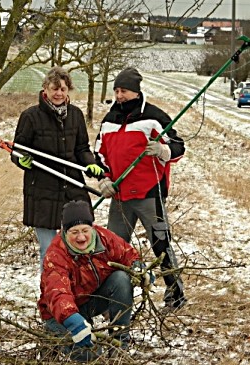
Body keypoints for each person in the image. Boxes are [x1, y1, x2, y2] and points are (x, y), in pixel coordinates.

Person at [94, 67, 187, 312]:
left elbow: (178, 144)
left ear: (135, 91)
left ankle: (175, 293)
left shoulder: (153, 117)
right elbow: (98, 154)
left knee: (160, 243)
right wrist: (103, 178)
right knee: (113, 249)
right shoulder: (109, 120)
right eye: (116, 90)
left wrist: (163, 151)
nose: (119, 95)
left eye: (123, 90)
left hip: (149, 193)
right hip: (120, 195)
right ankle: (112, 296)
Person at [11, 66, 103, 271]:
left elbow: (81, 147)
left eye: (62, 89)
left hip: (71, 186)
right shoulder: (30, 116)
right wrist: (21, 159)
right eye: (54, 89)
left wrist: (90, 163)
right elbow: (18, 149)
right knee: (48, 250)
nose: (59, 93)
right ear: (45, 89)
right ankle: (50, 295)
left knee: (79, 245)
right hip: (42, 190)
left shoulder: (76, 115)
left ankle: (76, 291)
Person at [38, 200, 143, 361]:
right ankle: (54, 335)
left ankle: (119, 345)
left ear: (92, 228)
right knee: (92, 357)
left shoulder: (103, 237)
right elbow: (57, 293)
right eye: (74, 232)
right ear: (65, 232)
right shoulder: (56, 255)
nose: (81, 237)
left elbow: (128, 254)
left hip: (89, 301)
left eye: (85, 230)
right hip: (61, 315)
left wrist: (139, 270)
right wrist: (73, 321)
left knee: (121, 279)